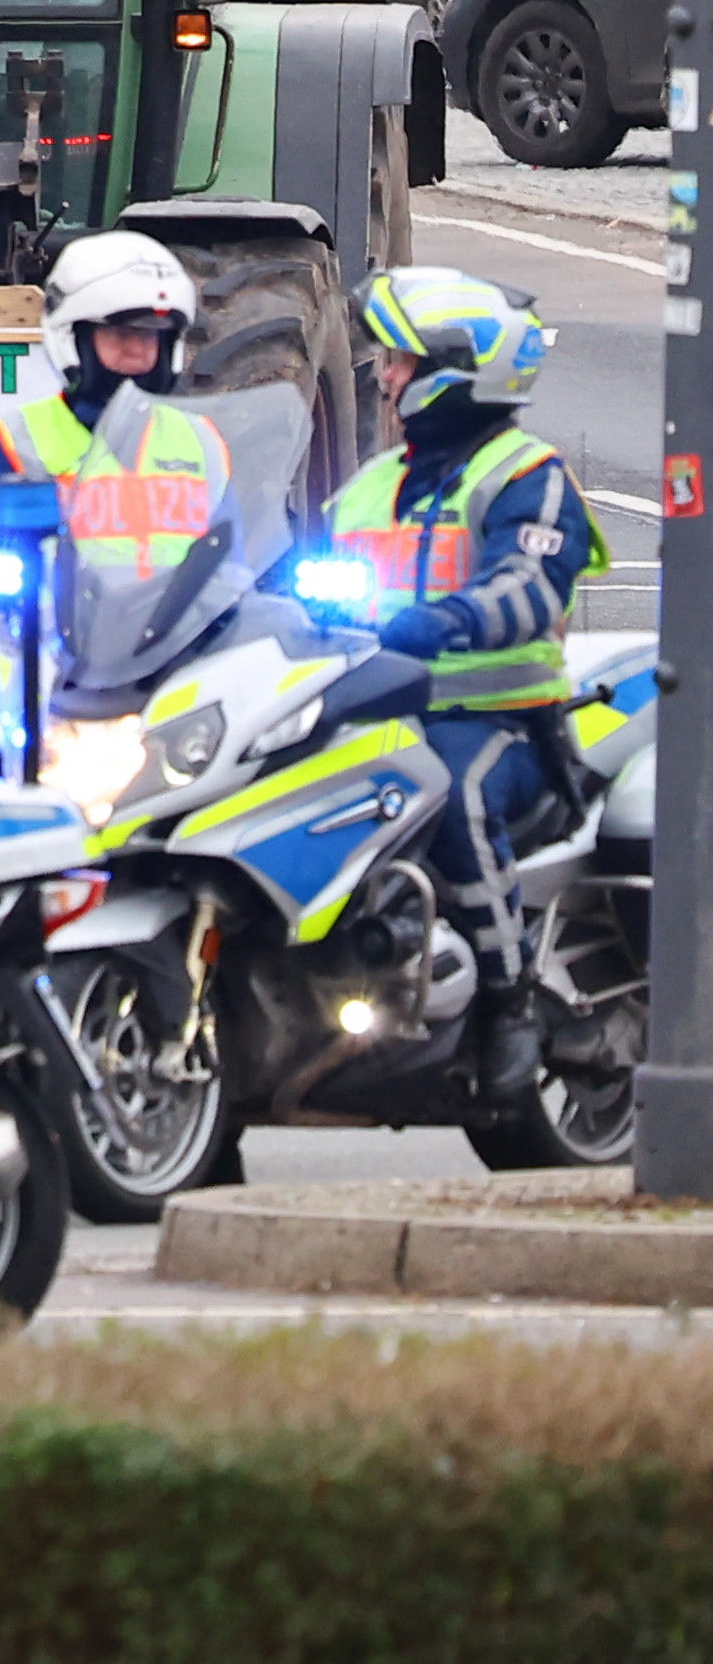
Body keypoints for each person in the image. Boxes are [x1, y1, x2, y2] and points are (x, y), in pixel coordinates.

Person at [333, 267, 605, 1088]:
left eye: (400, 362)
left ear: (455, 373)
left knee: (452, 796)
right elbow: (293, 581)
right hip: (367, 716)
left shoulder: (527, 475)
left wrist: (443, 622)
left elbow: (529, 586)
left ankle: (506, 996)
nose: (385, 377)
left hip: (497, 723)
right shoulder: (371, 486)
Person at [0, 230, 233, 597]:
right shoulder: (12, 443)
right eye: (121, 334)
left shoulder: (202, 441)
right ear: (74, 338)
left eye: (151, 336)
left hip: (179, 632)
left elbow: (235, 562)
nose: (137, 351)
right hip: (50, 630)